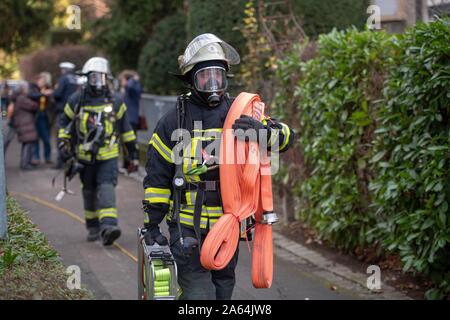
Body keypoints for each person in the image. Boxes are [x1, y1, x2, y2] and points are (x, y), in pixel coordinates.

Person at [141, 33, 295, 300]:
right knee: (200, 294)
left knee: (223, 292)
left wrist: (262, 132)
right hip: (187, 229)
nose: (213, 83)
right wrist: (151, 225)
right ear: (191, 79)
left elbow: (287, 138)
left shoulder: (241, 112)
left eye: (218, 76)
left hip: (228, 227)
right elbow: (157, 178)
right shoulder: (173, 121)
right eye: (205, 76)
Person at [58, 57, 139, 245]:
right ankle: (93, 226)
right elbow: (64, 122)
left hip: (108, 156)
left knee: (106, 186)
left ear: (107, 79)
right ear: (86, 79)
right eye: (93, 78)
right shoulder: (76, 100)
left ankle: (109, 226)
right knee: (88, 191)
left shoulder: (116, 101)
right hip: (83, 156)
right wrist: (63, 143)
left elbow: (126, 130)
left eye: (100, 78)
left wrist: (132, 155)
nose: (97, 82)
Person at [53, 62, 78, 169]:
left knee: (62, 135)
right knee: (74, 136)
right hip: (75, 111)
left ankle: (61, 162)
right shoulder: (75, 79)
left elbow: (58, 94)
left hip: (63, 111)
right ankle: (72, 159)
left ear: (64, 69)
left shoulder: (63, 79)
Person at [119, 70, 142, 172]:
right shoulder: (127, 88)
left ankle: (134, 162)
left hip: (131, 119)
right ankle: (127, 163)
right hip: (126, 118)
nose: (121, 82)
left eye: (122, 79)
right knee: (125, 142)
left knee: (132, 142)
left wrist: (131, 80)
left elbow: (133, 88)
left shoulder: (133, 86)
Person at [13, 82, 39, 170]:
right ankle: (25, 164)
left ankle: (26, 162)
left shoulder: (20, 98)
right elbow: (33, 106)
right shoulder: (22, 99)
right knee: (28, 145)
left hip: (24, 124)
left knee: (27, 144)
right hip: (25, 125)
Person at [30, 72, 54, 165]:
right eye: (41, 80)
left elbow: (52, 102)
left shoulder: (48, 89)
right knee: (36, 138)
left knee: (46, 138)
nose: (42, 82)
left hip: (45, 116)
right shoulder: (34, 88)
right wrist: (43, 94)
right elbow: (32, 96)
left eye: (43, 81)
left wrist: (50, 95)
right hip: (36, 116)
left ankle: (47, 157)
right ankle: (36, 158)